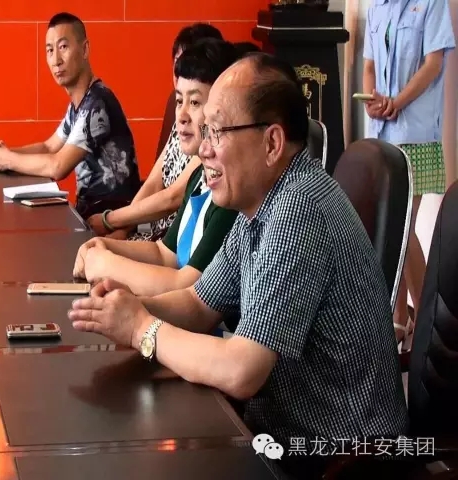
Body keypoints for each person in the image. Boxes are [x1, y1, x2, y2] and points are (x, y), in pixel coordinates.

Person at [69, 53, 408, 479]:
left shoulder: (299, 210)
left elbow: (242, 369)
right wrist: (126, 309)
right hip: (278, 433)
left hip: (339, 457)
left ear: (271, 143)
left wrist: (141, 329)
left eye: (218, 131)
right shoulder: (258, 203)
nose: (204, 149)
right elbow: (198, 304)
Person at [73, 39, 239, 297]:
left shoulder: (231, 193)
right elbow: (164, 253)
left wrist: (106, 264)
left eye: (195, 103)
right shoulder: (199, 177)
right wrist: (103, 245)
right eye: (179, 101)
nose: (181, 115)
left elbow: (187, 287)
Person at [0, 12, 141, 219]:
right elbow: (49, 147)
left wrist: (9, 160)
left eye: (63, 47)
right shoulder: (80, 104)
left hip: (109, 220)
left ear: (85, 49)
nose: (56, 60)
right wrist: (2, 154)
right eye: (50, 50)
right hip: (90, 215)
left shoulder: (97, 104)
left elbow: (58, 166)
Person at [362, 0, 455, 343]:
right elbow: (369, 65)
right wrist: (371, 100)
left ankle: (431, 321)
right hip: (381, 132)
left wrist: (397, 101)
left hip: (415, 133)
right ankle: (402, 316)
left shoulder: (431, 4)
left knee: (403, 228)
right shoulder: (376, 8)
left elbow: (434, 64)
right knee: (394, 227)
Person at [87, 23, 225, 241]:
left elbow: (172, 198)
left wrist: (109, 220)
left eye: (195, 101)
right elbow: (153, 183)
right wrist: (122, 230)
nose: (182, 74)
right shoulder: (181, 118)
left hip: (167, 240)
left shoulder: (210, 145)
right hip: (153, 237)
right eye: (179, 66)